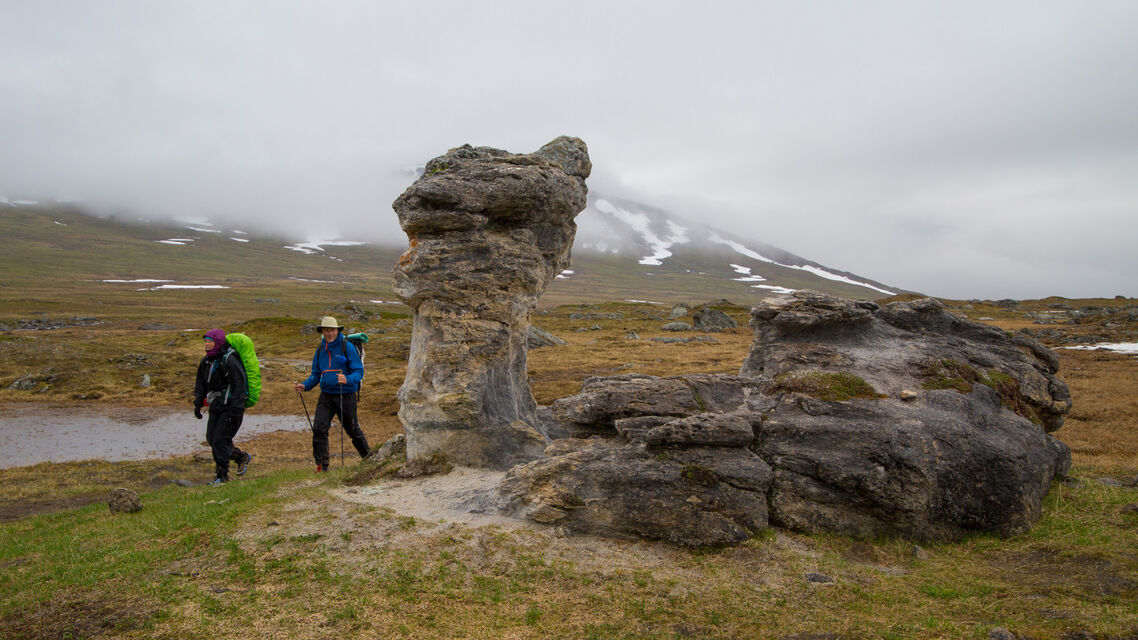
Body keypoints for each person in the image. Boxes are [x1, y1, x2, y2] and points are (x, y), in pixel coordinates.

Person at [294, 316, 370, 471]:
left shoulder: (347, 347)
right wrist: (305, 385)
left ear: (337, 331)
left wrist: (347, 379)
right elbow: (316, 374)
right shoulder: (320, 350)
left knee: (353, 430)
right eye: (326, 330)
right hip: (326, 395)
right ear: (322, 332)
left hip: (346, 395)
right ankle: (322, 466)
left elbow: (358, 371)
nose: (329, 333)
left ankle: (369, 459)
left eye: (332, 330)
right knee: (319, 429)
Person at [193, 328, 253, 484]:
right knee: (212, 439)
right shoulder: (207, 361)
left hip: (230, 408)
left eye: (209, 342)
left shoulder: (230, 360)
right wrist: (198, 403)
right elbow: (201, 383)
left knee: (220, 440)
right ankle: (241, 457)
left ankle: (222, 476)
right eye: (205, 341)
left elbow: (239, 385)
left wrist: (236, 409)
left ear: (218, 342)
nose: (206, 344)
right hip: (216, 405)